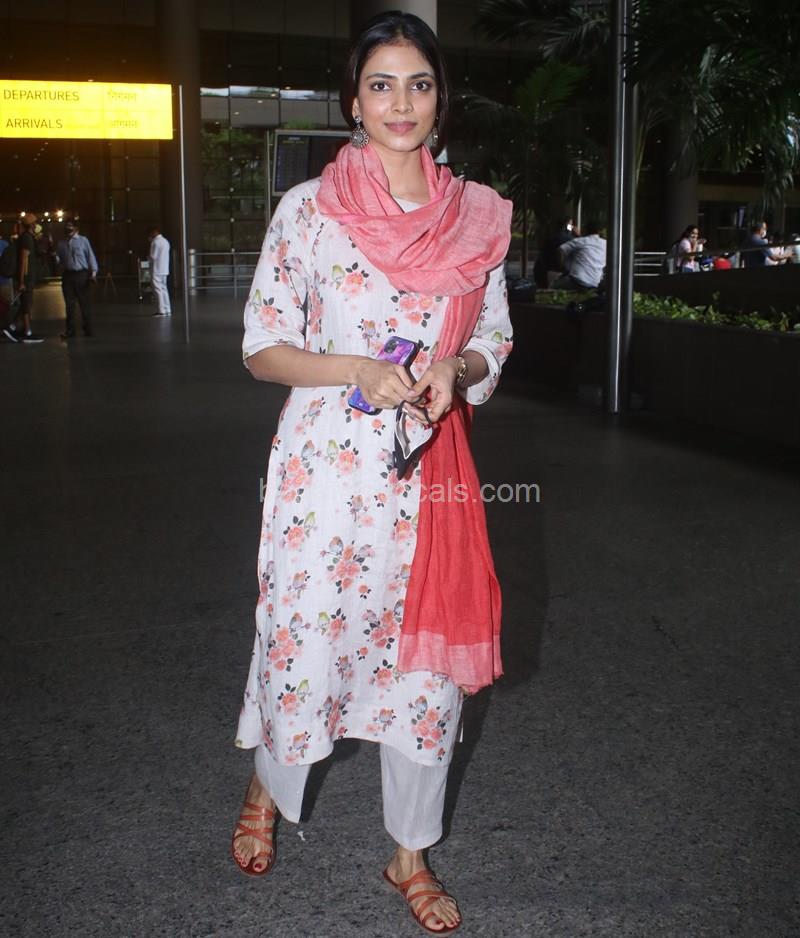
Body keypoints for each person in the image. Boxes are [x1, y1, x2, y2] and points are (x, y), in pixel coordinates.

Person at [230, 12, 512, 935]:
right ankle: (269, 785)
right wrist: (354, 367)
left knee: (424, 672)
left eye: (418, 84)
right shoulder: (309, 209)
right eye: (381, 84)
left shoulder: (475, 217)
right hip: (324, 478)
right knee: (305, 648)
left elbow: (494, 338)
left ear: (440, 99)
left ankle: (409, 854)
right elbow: (263, 347)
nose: (401, 103)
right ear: (353, 102)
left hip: (429, 481)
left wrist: (456, 368)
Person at [2, 213, 44, 344]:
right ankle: (26, 331)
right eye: (35, 223)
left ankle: (14, 327)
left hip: (27, 278)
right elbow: (23, 260)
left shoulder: (27, 237)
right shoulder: (27, 239)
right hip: (26, 279)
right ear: (31, 225)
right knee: (27, 304)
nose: (37, 225)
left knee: (26, 304)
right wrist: (21, 281)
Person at [56, 218, 98, 338]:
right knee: (69, 304)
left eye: (70, 226)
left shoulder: (83, 241)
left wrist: (93, 273)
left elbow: (90, 256)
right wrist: (55, 258)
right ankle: (70, 330)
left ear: (76, 228)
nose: (68, 228)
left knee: (84, 303)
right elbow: (59, 260)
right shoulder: (62, 243)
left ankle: (88, 328)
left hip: (81, 274)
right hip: (68, 275)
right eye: (66, 226)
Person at [553, 220, 606, 290]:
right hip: (595, 282)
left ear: (585, 229)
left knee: (554, 286)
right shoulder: (605, 243)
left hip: (577, 280)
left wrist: (562, 266)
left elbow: (561, 250)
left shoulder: (579, 241)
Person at [534, 218, 576, 287]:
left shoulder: (551, 237)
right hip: (562, 271)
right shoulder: (570, 239)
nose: (572, 227)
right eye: (571, 225)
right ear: (566, 226)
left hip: (548, 269)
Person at [148, 227, 171, 316]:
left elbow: (153, 256)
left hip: (156, 268)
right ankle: (167, 309)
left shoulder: (155, 242)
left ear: (154, 232)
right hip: (164, 269)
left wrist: (148, 258)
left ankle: (161, 310)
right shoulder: (166, 241)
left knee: (158, 290)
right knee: (164, 289)